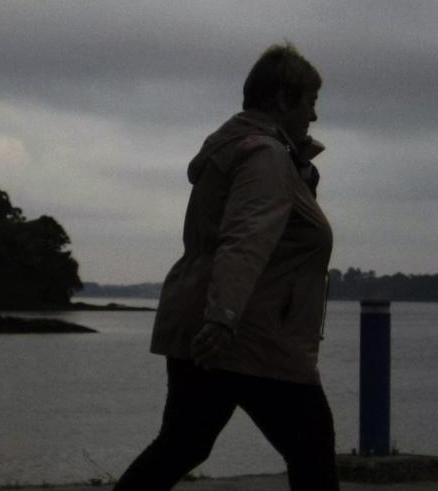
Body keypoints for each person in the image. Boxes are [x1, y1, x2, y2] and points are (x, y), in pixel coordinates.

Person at [114, 43, 337, 491]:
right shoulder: (266, 156)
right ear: (281, 100)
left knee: (183, 444)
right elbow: (246, 238)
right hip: (250, 337)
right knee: (312, 451)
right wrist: (224, 318)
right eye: (310, 101)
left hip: (217, 326)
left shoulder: (251, 151)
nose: (314, 115)